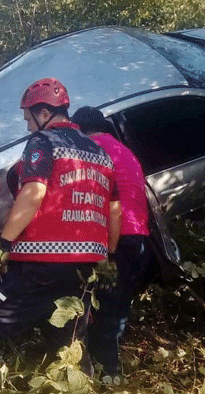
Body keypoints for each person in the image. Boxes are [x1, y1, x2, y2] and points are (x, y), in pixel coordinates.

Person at [0, 78, 121, 365]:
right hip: (85, 266)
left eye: (28, 119)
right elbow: (115, 210)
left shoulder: (44, 142)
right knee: (68, 343)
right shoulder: (100, 153)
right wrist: (108, 255)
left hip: (38, 263)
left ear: (44, 113)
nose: (28, 127)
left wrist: (4, 243)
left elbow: (34, 191)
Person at [72, 106, 153, 377]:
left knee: (104, 309)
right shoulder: (123, 150)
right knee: (118, 308)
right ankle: (112, 367)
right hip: (140, 239)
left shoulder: (90, 149)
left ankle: (108, 374)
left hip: (115, 238)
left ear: (80, 129)